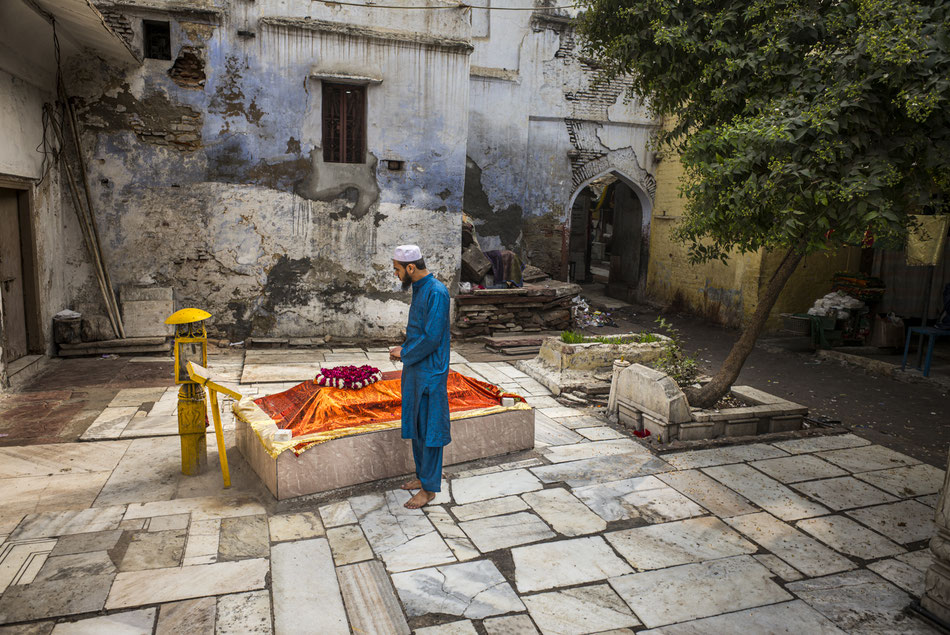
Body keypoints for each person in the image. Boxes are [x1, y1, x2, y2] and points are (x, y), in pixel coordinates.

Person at [389, 245, 451, 509]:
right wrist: (405, 352)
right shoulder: (420, 289)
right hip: (416, 367)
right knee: (416, 425)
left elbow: (432, 338)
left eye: (397, 269)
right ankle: (422, 476)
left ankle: (429, 489)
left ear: (411, 268)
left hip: (430, 371)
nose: (396, 275)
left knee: (430, 430)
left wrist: (404, 352)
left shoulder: (436, 292)